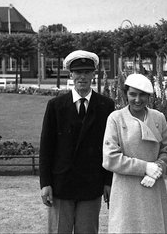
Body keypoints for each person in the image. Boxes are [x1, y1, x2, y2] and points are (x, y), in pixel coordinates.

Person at [39, 50, 115, 233]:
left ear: (93, 75)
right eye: (78, 72)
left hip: (91, 183)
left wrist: (108, 182)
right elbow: (46, 147)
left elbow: (111, 146)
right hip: (61, 184)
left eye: (87, 72)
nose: (82, 77)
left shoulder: (106, 106)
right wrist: (45, 183)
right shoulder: (56, 105)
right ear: (70, 74)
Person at [102, 73, 167, 233]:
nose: (137, 99)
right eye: (133, 94)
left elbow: (166, 151)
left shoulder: (158, 118)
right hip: (126, 191)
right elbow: (110, 158)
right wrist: (145, 167)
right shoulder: (116, 118)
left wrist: (158, 168)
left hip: (153, 187)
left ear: (149, 96)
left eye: (142, 95)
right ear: (125, 94)